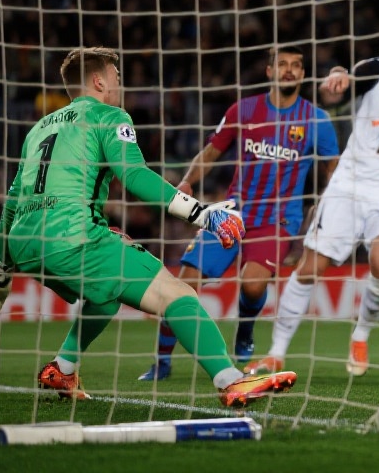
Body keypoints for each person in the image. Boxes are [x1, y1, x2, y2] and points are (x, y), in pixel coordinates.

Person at [0, 46, 297, 407]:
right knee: (178, 294)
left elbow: (11, 206)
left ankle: (62, 368)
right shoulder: (109, 115)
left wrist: (0, 278)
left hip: (25, 246)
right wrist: (202, 214)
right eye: (117, 77)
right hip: (73, 239)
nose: (120, 85)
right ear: (99, 81)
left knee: (105, 294)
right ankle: (231, 380)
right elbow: (135, 176)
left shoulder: (38, 129)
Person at [243, 18, 379, 377]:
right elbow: (336, 92)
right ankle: (276, 353)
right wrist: (336, 79)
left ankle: (360, 335)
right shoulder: (377, 71)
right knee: (312, 268)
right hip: (350, 183)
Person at [137, 44, 340, 381]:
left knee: (253, 285)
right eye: (282, 64)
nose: (289, 70)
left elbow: (332, 168)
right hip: (233, 213)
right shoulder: (244, 109)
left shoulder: (317, 119)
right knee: (184, 283)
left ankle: (245, 332)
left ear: (303, 74)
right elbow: (211, 151)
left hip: (279, 219)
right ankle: (162, 361)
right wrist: (186, 182)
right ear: (270, 71)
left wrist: (330, 202)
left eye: (296, 65)